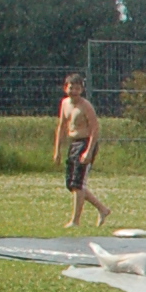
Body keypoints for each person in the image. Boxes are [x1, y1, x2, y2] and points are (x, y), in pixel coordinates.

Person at [54, 74, 111, 228]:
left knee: (78, 184)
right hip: (73, 143)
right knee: (72, 184)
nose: (74, 91)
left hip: (85, 143)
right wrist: (57, 150)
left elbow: (95, 129)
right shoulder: (65, 103)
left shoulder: (86, 106)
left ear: (82, 89)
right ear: (65, 88)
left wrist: (88, 151)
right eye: (71, 87)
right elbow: (62, 126)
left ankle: (75, 221)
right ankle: (103, 209)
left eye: (77, 88)